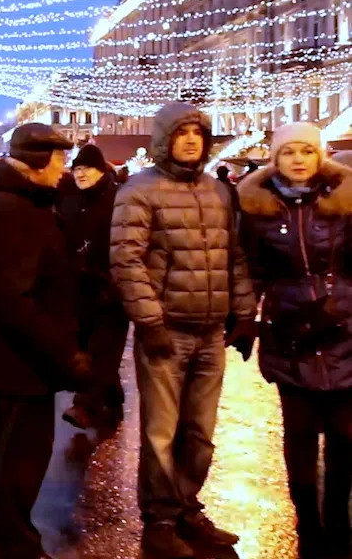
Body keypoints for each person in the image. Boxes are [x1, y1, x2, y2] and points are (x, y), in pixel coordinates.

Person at [110, 102, 257, 557]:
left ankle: (186, 507)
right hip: (167, 330)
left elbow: (233, 255)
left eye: (198, 132)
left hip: (211, 330)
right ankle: (159, 520)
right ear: (164, 139)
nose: (192, 140)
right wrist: (149, 321)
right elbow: (126, 259)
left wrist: (245, 312)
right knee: (161, 432)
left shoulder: (217, 191)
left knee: (200, 432)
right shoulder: (140, 190)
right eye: (182, 133)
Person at [0, 124, 88, 558]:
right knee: (21, 454)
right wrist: (63, 352)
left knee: (5, 445)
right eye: (59, 160)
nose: (64, 170)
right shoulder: (10, 208)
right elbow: (13, 297)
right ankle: (13, 538)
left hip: (17, 354)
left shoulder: (18, 203)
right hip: (21, 356)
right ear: (37, 162)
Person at [237, 123, 352, 558]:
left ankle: (339, 522)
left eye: (307, 151)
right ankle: (308, 524)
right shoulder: (258, 207)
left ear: (320, 155)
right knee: (299, 432)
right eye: (289, 152)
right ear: (275, 159)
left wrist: (342, 304)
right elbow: (251, 268)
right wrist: (246, 316)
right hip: (291, 333)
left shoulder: (344, 200)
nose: (299, 160)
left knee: (345, 435)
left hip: (344, 330)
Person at [57, 143, 128, 431]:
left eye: (87, 168)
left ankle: (84, 405)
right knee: (86, 345)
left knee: (101, 349)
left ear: (101, 170)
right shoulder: (69, 199)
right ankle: (112, 396)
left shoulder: (118, 199)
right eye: (77, 168)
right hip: (78, 287)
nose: (81, 173)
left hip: (111, 287)